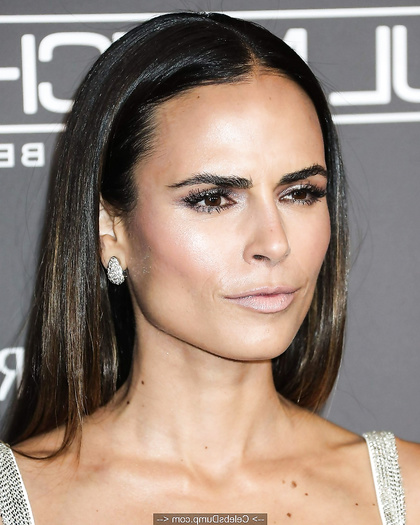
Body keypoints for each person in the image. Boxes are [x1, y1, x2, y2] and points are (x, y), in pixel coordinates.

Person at [0, 11, 418, 525]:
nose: (274, 243)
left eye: (299, 193)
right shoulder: (19, 501)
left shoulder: (408, 494)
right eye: (213, 199)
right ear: (111, 229)